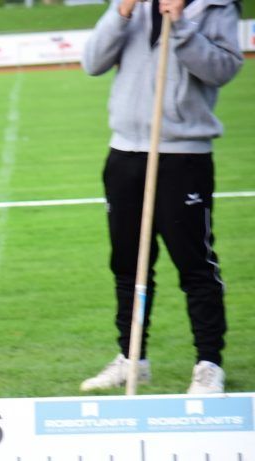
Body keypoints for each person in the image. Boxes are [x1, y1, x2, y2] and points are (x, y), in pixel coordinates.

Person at [80, 0, 242, 394]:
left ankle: (208, 363)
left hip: (184, 155)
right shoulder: (129, 5)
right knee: (128, 263)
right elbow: (92, 61)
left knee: (195, 264)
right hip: (125, 152)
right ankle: (131, 356)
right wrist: (120, 12)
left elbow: (222, 69)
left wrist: (181, 23)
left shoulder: (216, 7)